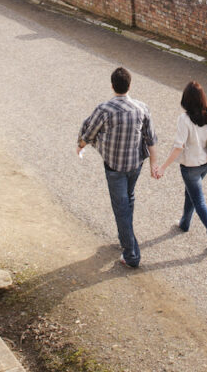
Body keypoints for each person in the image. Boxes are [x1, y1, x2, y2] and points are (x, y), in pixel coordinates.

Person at [77, 67, 158, 268]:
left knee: (121, 207)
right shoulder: (141, 108)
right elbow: (151, 138)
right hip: (135, 163)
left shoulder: (105, 109)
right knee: (128, 198)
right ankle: (125, 238)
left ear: (112, 86)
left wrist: (80, 146)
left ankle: (132, 255)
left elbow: (88, 132)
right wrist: (154, 163)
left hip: (114, 166)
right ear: (130, 85)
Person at [157, 81, 207, 251]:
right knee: (191, 193)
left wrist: (163, 166)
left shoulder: (184, 119)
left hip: (190, 166)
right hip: (206, 163)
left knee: (198, 200)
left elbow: (179, 146)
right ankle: (185, 223)